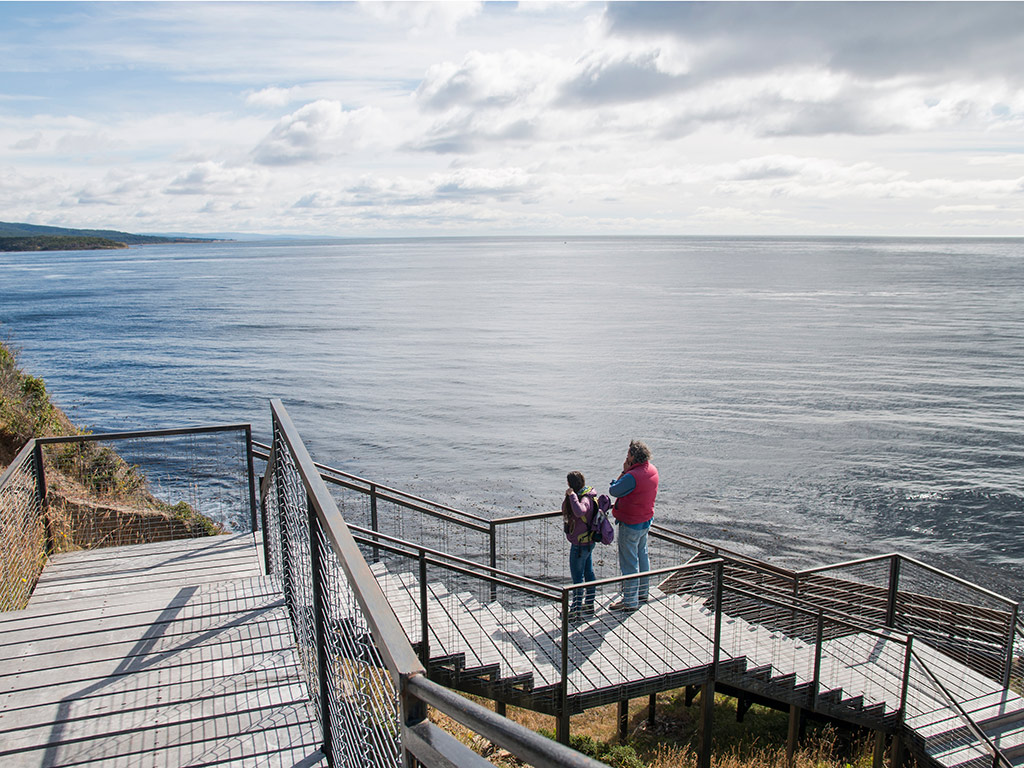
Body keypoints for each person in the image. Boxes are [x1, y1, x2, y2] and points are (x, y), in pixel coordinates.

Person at [608, 440, 658, 611]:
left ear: (633, 457)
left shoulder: (632, 476)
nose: (626, 457)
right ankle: (643, 593)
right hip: (645, 521)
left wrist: (624, 471)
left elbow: (614, 491)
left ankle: (630, 601)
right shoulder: (652, 470)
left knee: (629, 562)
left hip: (630, 523)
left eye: (628, 454)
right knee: (642, 555)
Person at [562, 470, 598, 618]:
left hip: (580, 545)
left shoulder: (584, 498)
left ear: (570, 484)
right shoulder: (587, 495)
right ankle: (589, 603)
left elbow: (579, 511)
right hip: (587, 542)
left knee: (577, 579)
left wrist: (571, 496)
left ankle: (575, 609)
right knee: (588, 573)